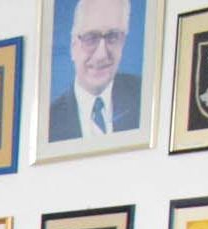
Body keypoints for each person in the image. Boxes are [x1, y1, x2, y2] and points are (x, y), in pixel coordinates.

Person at [48, 0, 143, 142]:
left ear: (123, 42)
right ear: (73, 46)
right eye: (91, 38)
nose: (101, 55)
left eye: (112, 37)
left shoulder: (143, 95)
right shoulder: (50, 123)